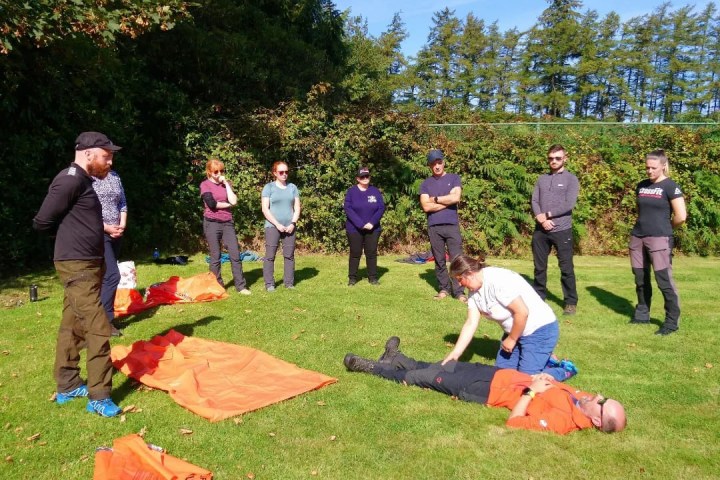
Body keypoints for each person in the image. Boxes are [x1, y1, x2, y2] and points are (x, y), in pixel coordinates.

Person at [343, 337, 626, 435]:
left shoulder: (563, 422)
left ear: (597, 420)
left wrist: (531, 392)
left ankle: (372, 367)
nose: (598, 396)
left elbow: (515, 423)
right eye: (604, 396)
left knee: (425, 379)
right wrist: (548, 378)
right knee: (442, 367)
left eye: (602, 402)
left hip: (484, 391)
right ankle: (396, 358)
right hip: (497, 375)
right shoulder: (584, 399)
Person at [32, 131, 123, 417]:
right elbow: (42, 221)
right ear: (88, 154)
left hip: (87, 263)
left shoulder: (84, 180)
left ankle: (68, 384)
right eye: (105, 156)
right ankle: (99, 395)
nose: (109, 162)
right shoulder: (70, 179)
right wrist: (71, 243)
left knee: (72, 325)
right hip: (77, 265)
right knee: (98, 326)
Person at [444, 254, 577, 382]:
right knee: (501, 377)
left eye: (459, 279)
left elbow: (522, 312)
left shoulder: (498, 280)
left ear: (470, 273)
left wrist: (512, 339)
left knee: (527, 381)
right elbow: (471, 322)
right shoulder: (474, 290)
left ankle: (563, 369)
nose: (460, 284)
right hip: (515, 332)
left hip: (540, 331)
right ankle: (543, 359)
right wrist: (456, 353)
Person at [629, 150, 687, 335]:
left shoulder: (670, 186)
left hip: (660, 238)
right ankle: (642, 315)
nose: (649, 171)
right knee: (640, 279)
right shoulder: (641, 186)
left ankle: (671, 323)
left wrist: (664, 227)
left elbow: (681, 216)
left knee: (664, 281)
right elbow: (640, 211)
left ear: (663, 166)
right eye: (647, 167)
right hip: (638, 237)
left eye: (653, 168)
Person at [531, 144, 580, 315]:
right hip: (540, 230)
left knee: (566, 268)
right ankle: (538, 297)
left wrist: (548, 215)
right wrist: (540, 218)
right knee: (539, 267)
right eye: (551, 158)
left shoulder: (571, 179)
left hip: (562, 230)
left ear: (565, 158)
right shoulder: (541, 179)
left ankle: (570, 302)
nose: (554, 161)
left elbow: (569, 205)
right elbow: (534, 201)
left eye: (558, 158)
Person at [419, 149, 466, 302]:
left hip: (452, 225)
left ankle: (459, 292)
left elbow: (456, 197)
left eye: (439, 162)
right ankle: (444, 289)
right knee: (439, 260)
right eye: (434, 164)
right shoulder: (425, 184)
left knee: (457, 259)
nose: (437, 166)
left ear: (443, 162)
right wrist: (447, 201)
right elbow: (425, 207)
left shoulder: (454, 178)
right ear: (430, 166)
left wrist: (436, 199)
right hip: (434, 226)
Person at [200, 159, 251, 295]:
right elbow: (212, 204)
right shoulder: (205, 185)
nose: (219, 174)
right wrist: (229, 204)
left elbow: (234, 200)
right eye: (216, 171)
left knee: (235, 254)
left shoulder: (225, 184)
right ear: (209, 172)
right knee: (215, 256)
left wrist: (226, 184)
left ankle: (241, 286)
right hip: (211, 223)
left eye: (221, 171)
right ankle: (217, 286)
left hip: (227, 223)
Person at [92, 169, 128, 336]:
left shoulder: (115, 175)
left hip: (117, 232)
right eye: (106, 156)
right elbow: (87, 210)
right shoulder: (88, 178)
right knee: (113, 275)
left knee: (106, 276)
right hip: (99, 233)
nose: (110, 161)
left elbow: (122, 202)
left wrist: (122, 224)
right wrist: (106, 227)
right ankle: (105, 321)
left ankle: (96, 316)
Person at [261, 161, 301, 291]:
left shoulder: (292, 187)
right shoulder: (269, 187)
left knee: (289, 255)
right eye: (281, 172)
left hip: (290, 227)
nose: (284, 174)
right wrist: (277, 224)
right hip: (273, 226)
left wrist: (293, 223)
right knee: (270, 255)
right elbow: (265, 209)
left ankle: (289, 283)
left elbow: (297, 207)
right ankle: (269, 284)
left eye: (286, 172)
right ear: (275, 173)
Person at [344, 166, 386, 286]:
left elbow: (381, 207)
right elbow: (348, 208)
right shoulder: (351, 192)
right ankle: (352, 278)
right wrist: (361, 224)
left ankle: (372, 277)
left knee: (371, 253)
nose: (365, 178)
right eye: (362, 176)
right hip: (354, 228)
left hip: (373, 228)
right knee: (355, 253)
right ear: (358, 178)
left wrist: (371, 223)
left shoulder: (375, 191)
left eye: (367, 176)